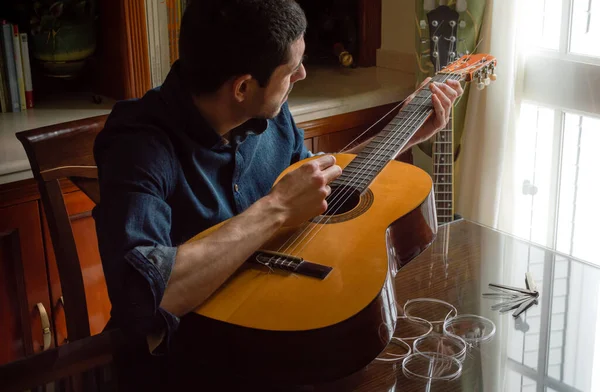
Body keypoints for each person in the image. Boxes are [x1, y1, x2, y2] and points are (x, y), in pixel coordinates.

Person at [92, 0, 463, 387]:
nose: (303, 73)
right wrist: (276, 209)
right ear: (242, 87)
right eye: (292, 69)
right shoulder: (137, 143)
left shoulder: (267, 112)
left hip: (279, 343)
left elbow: (320, 188)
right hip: (186, 367)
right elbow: (143, 298)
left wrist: (402, 133)